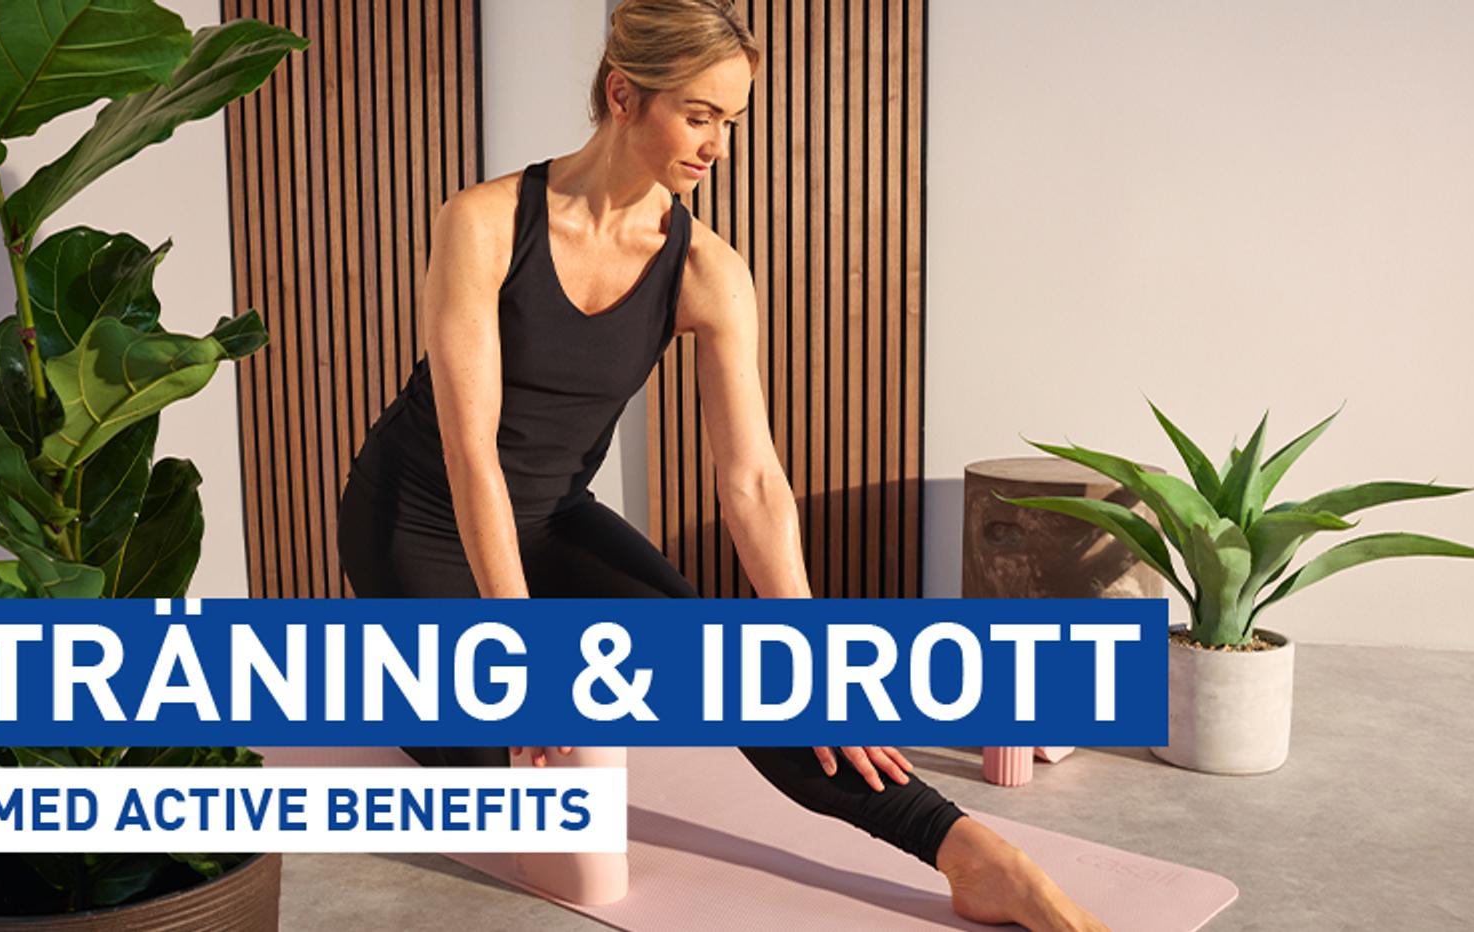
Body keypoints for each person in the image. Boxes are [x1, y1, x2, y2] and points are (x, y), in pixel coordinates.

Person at [338, 1, 1108, 928]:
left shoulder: (705, 267)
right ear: (623, 95)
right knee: (521, 773)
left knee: (748, 675)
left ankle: (975, 856)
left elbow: (752, 482)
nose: (718, 146)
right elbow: (471, 453)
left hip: (549, 518)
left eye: (731, 121)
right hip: (415, 521)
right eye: (699, 115)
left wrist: (810, 663)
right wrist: (519, 652)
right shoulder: (485, 222)